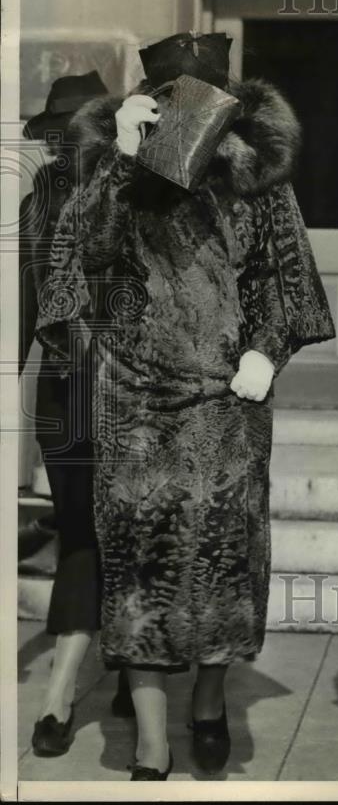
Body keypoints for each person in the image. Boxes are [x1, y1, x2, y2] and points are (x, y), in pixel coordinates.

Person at [36, 32, 335, 780]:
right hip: (136, 408)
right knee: (139, 571)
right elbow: (83, 269)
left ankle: (208, 706)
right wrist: (119, 163)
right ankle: (150, 742)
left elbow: (282, 280)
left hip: (228, 406)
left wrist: (267, 351)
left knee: (223, 571)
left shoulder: (257, 180)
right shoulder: (114, 172)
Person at [19, 72, 136, 759]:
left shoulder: (134, 193)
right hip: (65, 394)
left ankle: (83, 683)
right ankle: (90, 676)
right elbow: (22, 301)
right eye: (58, 132)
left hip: (130, 391)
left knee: (116, 535)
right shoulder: (40, 199)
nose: (67, 144)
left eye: (79, 129)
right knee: (81, 537)